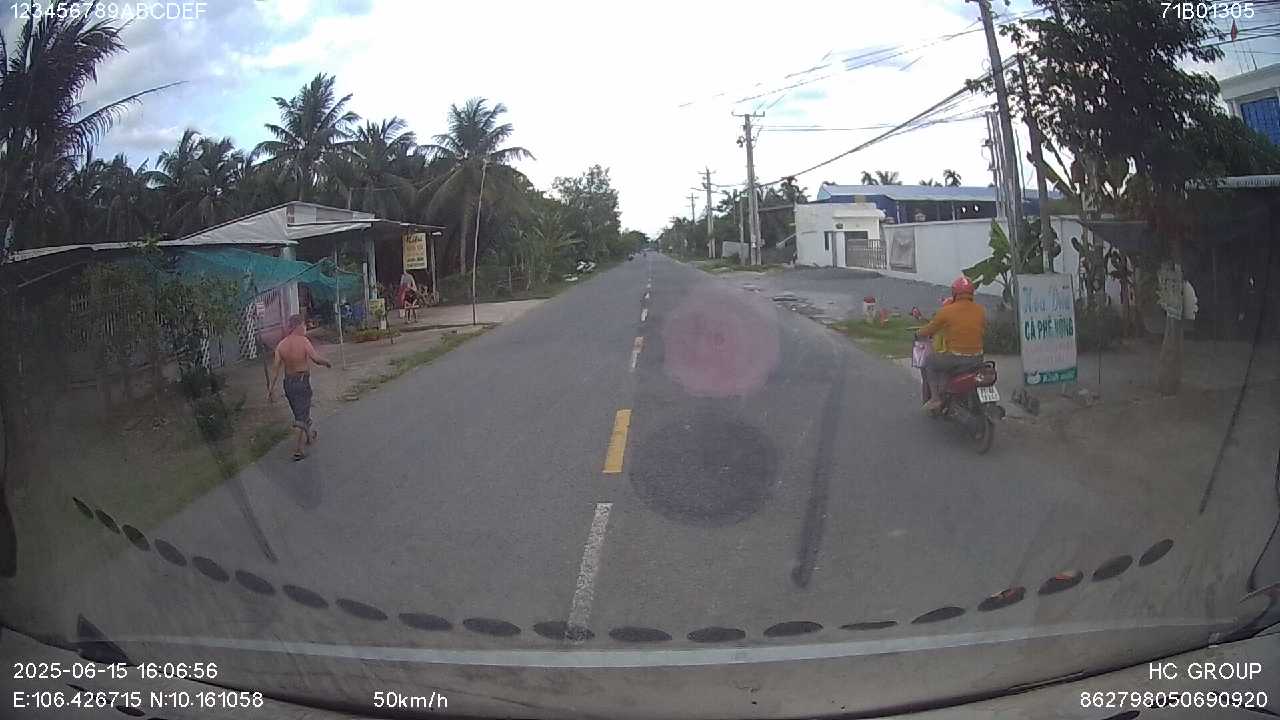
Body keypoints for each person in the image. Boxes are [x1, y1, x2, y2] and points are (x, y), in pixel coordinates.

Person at [915, 276, 985, 414]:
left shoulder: (947, 311)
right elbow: (983, 330)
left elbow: (930, 329)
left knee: (930, 361)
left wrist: (918, 333)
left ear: (954, 293)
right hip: (978, 358)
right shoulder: (980, 310)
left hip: (956, 358)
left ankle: (935, 398)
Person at [268, 314, 332, 460]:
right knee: (300, 416)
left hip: (288, 383)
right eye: (304, 325)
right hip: (302, 381)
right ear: (298, 326)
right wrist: (326, 362)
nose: (305, 328)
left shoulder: (281, 345)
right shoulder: (303, 341)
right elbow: (315, 359)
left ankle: (309, 436)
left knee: (300, 412)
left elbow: (275, 369)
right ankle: (298, 450)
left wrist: (271, 388)